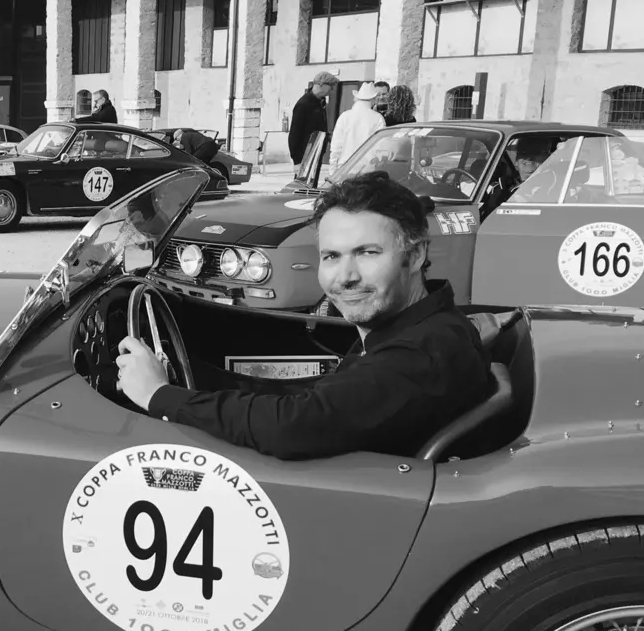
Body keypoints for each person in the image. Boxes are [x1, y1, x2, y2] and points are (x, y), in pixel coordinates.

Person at [114, 170, 495, 461]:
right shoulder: (418, 330)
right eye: (331, 256)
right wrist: (192, 385)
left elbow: (294, 425)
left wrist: (159, 396)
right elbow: (318, 401)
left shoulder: (419, 357)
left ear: (414, 256)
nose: (345, 277)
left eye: (367, 253)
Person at [329, 83, 386, 168]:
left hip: (344, 166)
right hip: (367, 166)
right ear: (373, 99)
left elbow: (336, 146)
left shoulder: (345, 116)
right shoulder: (378, 118)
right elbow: (380, 146)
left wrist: (332, 169)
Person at [289, 72, 337, 166]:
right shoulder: (303, 104)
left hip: (316, 153)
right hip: (305, 155)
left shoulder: (320, 102)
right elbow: (294, 134)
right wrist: (297, 160)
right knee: (303, 181)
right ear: (321, 84)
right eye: (330, 86)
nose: (331, 90)